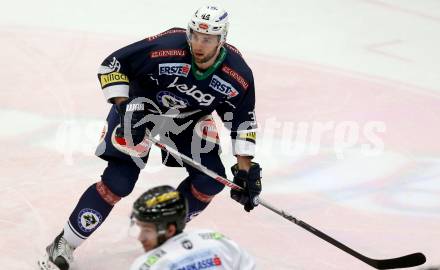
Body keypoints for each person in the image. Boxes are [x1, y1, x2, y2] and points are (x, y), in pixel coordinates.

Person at [38, 5, 262, 270]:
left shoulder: (238, 74)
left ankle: (162, 238)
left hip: (189, 119)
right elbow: (112, 64)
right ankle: (65, 242)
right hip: (141, 108)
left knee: (210, 181)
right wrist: (124, 106)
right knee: (119, 180)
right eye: (195, 36)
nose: (198, 44)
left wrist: (246, 170)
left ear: (221, 39)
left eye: (207, 39)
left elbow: (243, 119)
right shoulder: (166, 46)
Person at [129, 185, 256, 270]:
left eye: (146, 230)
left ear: (170, 230)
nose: (141, 237)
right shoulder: (216, 240)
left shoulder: (147, 265)